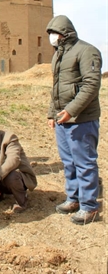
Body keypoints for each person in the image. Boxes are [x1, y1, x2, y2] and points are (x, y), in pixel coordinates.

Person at [46, 15, 102, 225]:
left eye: (54, 33)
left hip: (81, 118)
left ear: (65, 33)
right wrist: (53, 113)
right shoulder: (58, 55)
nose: (51, 37)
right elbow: (57, 88)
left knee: (84, 162)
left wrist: (71, 110)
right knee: (69, 162)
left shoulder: (86, 51)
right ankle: (74, 198)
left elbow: (91, 85)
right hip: (63, 118)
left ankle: (90, 206)